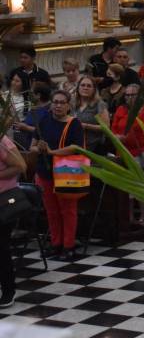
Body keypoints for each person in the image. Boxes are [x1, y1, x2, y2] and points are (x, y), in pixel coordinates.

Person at [31, 90, 85, 262]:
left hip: (65, 170)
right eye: (55, 102)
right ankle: (56, 243)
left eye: (62, 102)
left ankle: (68, 246)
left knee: (67, 210)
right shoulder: (44, 120)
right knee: (51, 211)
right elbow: (32, 146)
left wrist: (52, 152)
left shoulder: (74, 123)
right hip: (44, 171)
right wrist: (38, 148)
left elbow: (76, 147)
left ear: (69, 105)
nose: (58, 105)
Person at [111, 85, 144, 225]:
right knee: (127, 186)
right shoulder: (121, 110)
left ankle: (143, 216)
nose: (130, 98)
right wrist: (118, 137)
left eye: (133, 95)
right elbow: (113, 130)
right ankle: (129, 217)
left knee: (140, 185)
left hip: (140, 152)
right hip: (123, 152)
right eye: (127, 95)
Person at [0, 131, 25, 307]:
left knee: (1, 248)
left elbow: (20, 166)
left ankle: (8, 290)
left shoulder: (2, 140)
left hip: (3, 201)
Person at [73, 76, 110, 155]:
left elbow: (106, 127)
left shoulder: (99, 104)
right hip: (78, 146)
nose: (85, 88)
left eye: (89, 86)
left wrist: (85, 126)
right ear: (78, 88)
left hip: (95, 147)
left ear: (94, 89)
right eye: (83, 85)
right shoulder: (74, 104)